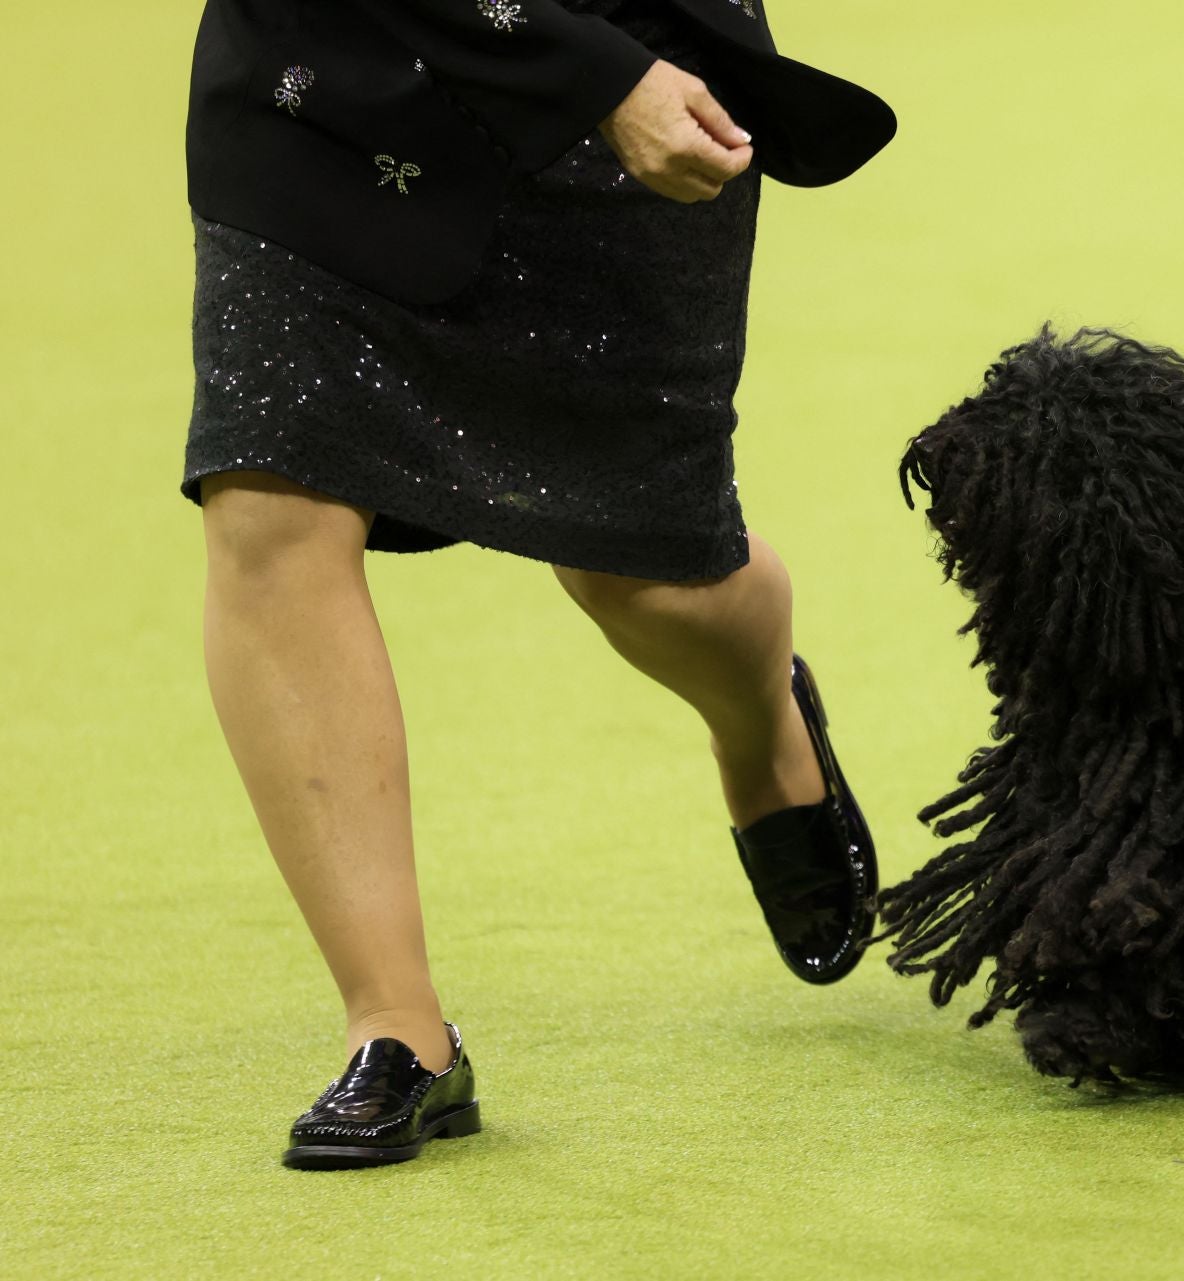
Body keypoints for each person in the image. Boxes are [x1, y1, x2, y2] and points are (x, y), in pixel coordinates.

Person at [179, 0, 893, 1169]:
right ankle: (397, 1029)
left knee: (644, 581)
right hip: (326, 71)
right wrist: (586, 74)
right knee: (269, 501)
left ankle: (760, 719)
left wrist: (609, 73)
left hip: (631, 61)